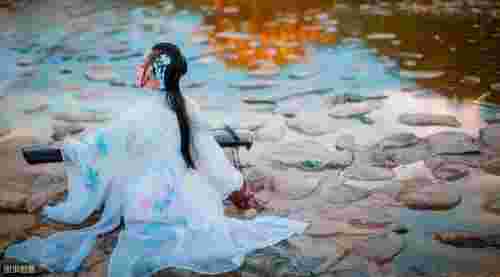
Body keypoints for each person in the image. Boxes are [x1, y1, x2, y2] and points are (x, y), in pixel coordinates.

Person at [4, 42, 308, 277]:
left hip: (148, 207)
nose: (139, 67)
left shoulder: (138, 113)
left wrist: (73, 147)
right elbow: (211, 160)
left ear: (153, 72)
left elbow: (99, 146)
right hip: (194, 204)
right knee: (180, 172)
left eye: (143, 63)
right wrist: (239, 189)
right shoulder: (189, 106)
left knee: (116, 171)